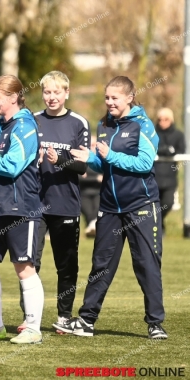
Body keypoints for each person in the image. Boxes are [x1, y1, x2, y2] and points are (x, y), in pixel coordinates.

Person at [67, 76, 167, 340]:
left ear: (130, 97)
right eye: (107, 97)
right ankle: (87, 320)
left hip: (141, 206)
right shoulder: (104, 124)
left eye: (114, 98)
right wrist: (90, 158)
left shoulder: (142, 125)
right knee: (101, 264)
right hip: (109, 207)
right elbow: (104, 166)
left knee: (146, 264)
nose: (109, 102)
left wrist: (109, 155)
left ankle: (155, 323)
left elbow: (144, 164)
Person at [0, 75, 44, 344]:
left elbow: (12, 166)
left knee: (24, 267)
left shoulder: (25, 126)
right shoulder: (2, 126)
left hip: (22, 209)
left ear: (13, 97)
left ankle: (33, 328)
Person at [30, 71, 90, 335]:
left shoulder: (78, 123)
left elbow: (84, 166)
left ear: (66, 93)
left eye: (57, 92)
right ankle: (30, 317)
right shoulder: (31, 120)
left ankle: (64, 316)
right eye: (47, 92)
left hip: (65, 204)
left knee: (66, 264)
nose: (51, 97)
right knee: (30, 261)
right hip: (34, 205)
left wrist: (60, 160)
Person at [154, 107, 185, 230]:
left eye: (166, 119)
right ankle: (158, 228)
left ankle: (160, 223)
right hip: (154, 176)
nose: (162, 122)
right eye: (160, 119)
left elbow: (180, 151)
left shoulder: (178, 134)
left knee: (167, 203)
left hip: (170, 177)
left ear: (171, 119)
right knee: (153, 205)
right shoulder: (153, 133)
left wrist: (167, 151)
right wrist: (167, 150)